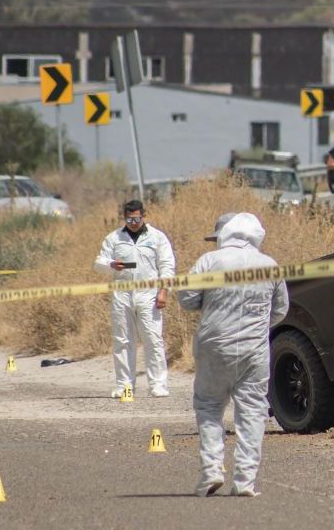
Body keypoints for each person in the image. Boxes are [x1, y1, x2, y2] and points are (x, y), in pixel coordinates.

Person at [178, 213, 289, 498]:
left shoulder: (209, 261)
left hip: (214, 345)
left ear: (224, 234)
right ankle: (245, 481)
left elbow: (187, 299)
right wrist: (255, 325)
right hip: (254, 349)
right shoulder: (270, 265)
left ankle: (212, 471)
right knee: (252, 412)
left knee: (209, 406)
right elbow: (280, 310)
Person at [94, 200, 175, 398]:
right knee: (122, 340)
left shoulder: (157, 237)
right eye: (129, 219)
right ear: (124, 217)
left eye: (137, 218)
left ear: (144, 216)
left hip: (149, 294)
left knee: (152, 338)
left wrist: (164, 291)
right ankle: (124, 385)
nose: (133, 222)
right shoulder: (114, 238)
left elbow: (166, 264)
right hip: (122, 294)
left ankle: (157, 384)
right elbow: (99, 262)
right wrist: (112, 264)